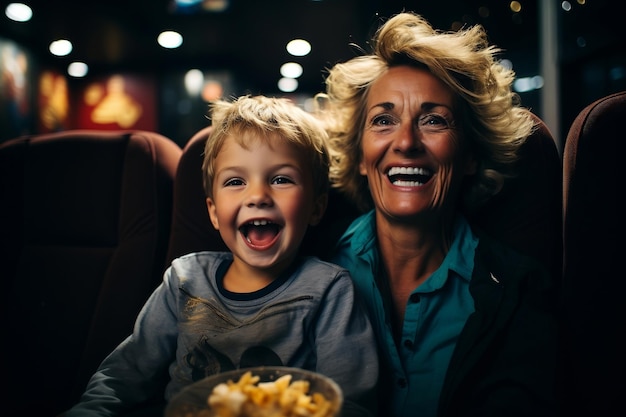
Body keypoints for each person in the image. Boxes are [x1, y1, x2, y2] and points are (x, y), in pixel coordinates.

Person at [65, 95, 378, 416]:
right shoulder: (185, 279)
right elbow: (124, 375)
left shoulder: (329, 290)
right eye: (235, 181)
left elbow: (350, 399)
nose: (257, 195)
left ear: (316, 207)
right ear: (213, 212)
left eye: (281, 179)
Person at [313, 12, 560, 417]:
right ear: (359, 155)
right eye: (383, 120)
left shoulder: (520, 290)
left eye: (433, 120)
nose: (406, 142)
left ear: (469, 157)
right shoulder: (307, 260)